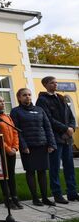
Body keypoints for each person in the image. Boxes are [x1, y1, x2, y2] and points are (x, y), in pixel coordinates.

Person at [10, 88, 56, 207]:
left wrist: (51, 143)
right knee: (30, 172)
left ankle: (45, 197)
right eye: (24, 95)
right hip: (28, 147)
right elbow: (16, 131)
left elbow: (48, 127)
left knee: (42, 172)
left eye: (29, 95)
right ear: (19, 97)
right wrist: (23, 146)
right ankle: (35, 198)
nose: (28, 97)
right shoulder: (15, 111)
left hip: (42, 145)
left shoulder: (39, 110)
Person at [36, 76, 77, 204]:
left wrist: (70, 128)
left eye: (56, 82)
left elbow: (71, 116)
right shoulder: (42, 100)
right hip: (55, 138)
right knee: (54, 167)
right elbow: (48, 119)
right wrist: (65, 129)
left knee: (69, 166)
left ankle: (72, 193)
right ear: (45, 84)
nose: (55, 84)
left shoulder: (61, 97)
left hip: (67, 138)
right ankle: (57, 194)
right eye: (52, 83)